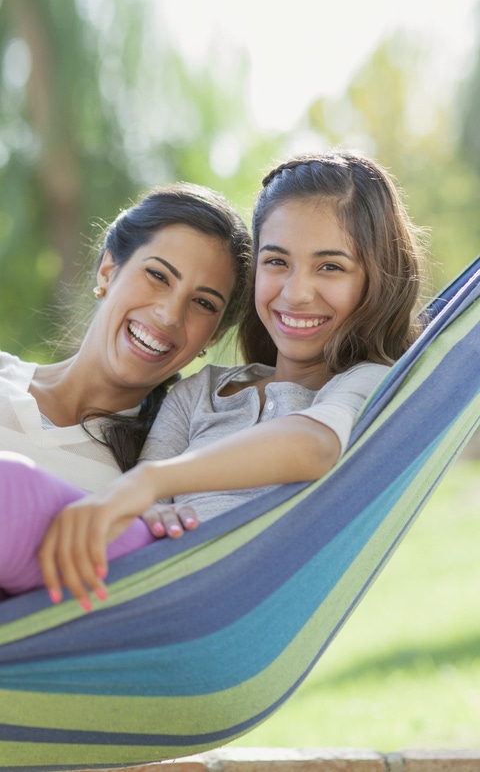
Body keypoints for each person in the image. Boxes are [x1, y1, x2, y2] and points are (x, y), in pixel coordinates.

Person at [0, 151, 427, 610]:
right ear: (107, 269)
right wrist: (147, 494)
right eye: (277, 261)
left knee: (12, 487)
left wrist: (142, 489)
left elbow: (313, 444)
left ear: (375, 281)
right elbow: (145, 487)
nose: (297, 292)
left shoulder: (365, 384)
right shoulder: (199, 392)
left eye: (331, 266)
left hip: (181, 594)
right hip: (132, 563)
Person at [0, 183, 252, 600]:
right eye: (158, 276)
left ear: (216, 334)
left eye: (203, 303)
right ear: (108, 271)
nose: (170, 315)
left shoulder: (152, 480)